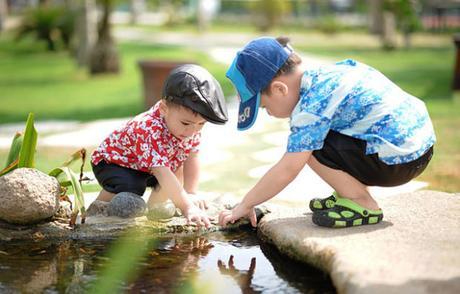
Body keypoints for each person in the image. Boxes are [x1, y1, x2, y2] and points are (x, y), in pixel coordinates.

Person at [219, 36, 435, 228]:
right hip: (419, 148)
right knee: (316, 136)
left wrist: (246, 204)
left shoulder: (311, 107)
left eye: (265, 107)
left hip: (398, 162)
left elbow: (288, 169)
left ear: (279, 89)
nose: (269, 113)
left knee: (307, 148)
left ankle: (361, 202)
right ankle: (348, 193)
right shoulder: (327, 75)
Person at [90, 64, 228, 228]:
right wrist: (187, 208)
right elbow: (162, 172)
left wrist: (190, 193)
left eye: (201, 124)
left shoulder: (189, 128)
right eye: (186, 123)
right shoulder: (148, 129)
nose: (192, 131)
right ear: (164, 109)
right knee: (133, 186)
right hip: (114, 163)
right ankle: (99, 208)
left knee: (176, 168)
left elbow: (192, 157)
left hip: (146, 166)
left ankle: (155, 210)